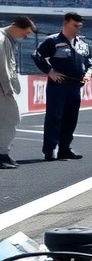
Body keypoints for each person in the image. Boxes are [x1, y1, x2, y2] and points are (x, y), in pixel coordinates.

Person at [31, 12, 92, 161]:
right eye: (75, 25)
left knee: (71, 118)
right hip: (58, 85)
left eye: (80, 26)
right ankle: (50, 149)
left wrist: (88, 73)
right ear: (65, 23)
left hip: (76, 85)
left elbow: (90, 63)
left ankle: (65, 149)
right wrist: (50, 71)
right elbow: (37, 55)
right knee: (55, 116)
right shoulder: (53, 40)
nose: (78, 28)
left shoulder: (83, 44)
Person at [0, 16, 36, 168]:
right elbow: (2, 67)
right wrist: (8, 87)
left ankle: (3, 155)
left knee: (8, 120)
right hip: (2, 88)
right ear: (16, 26)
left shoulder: (7, 39)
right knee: (11, 119)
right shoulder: (2, 39)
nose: (24, 36)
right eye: (24, 33)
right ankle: (2, 155)